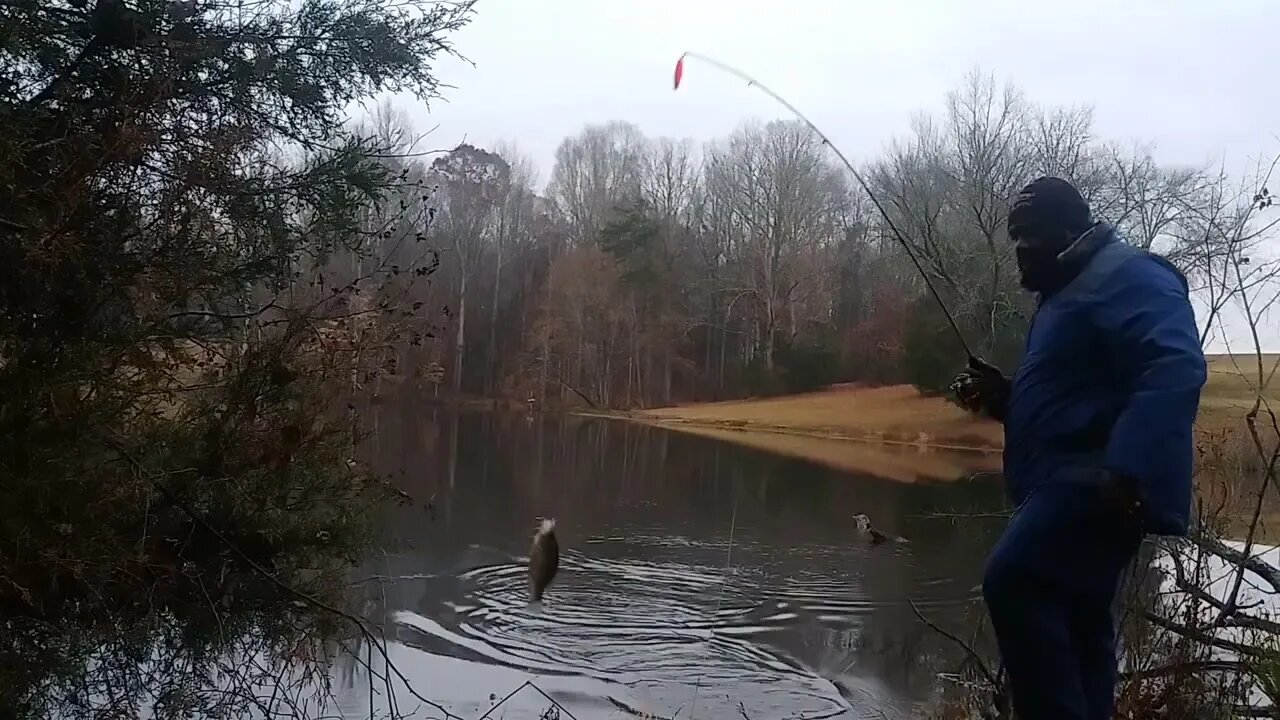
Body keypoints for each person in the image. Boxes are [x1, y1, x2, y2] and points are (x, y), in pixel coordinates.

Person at [951, 176, 1207, 720]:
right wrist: (1007, 398)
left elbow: (1175, 365)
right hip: (1072, 478)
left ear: (1071, 231)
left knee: (1015, 579)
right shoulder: (1063, 297)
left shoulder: (1130, 275)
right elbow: (1076, 401)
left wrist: (1129, 466)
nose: (1019, 248)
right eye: (1013, 236)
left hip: (1099, 482)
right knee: (1082, 622)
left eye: (1031, 235)